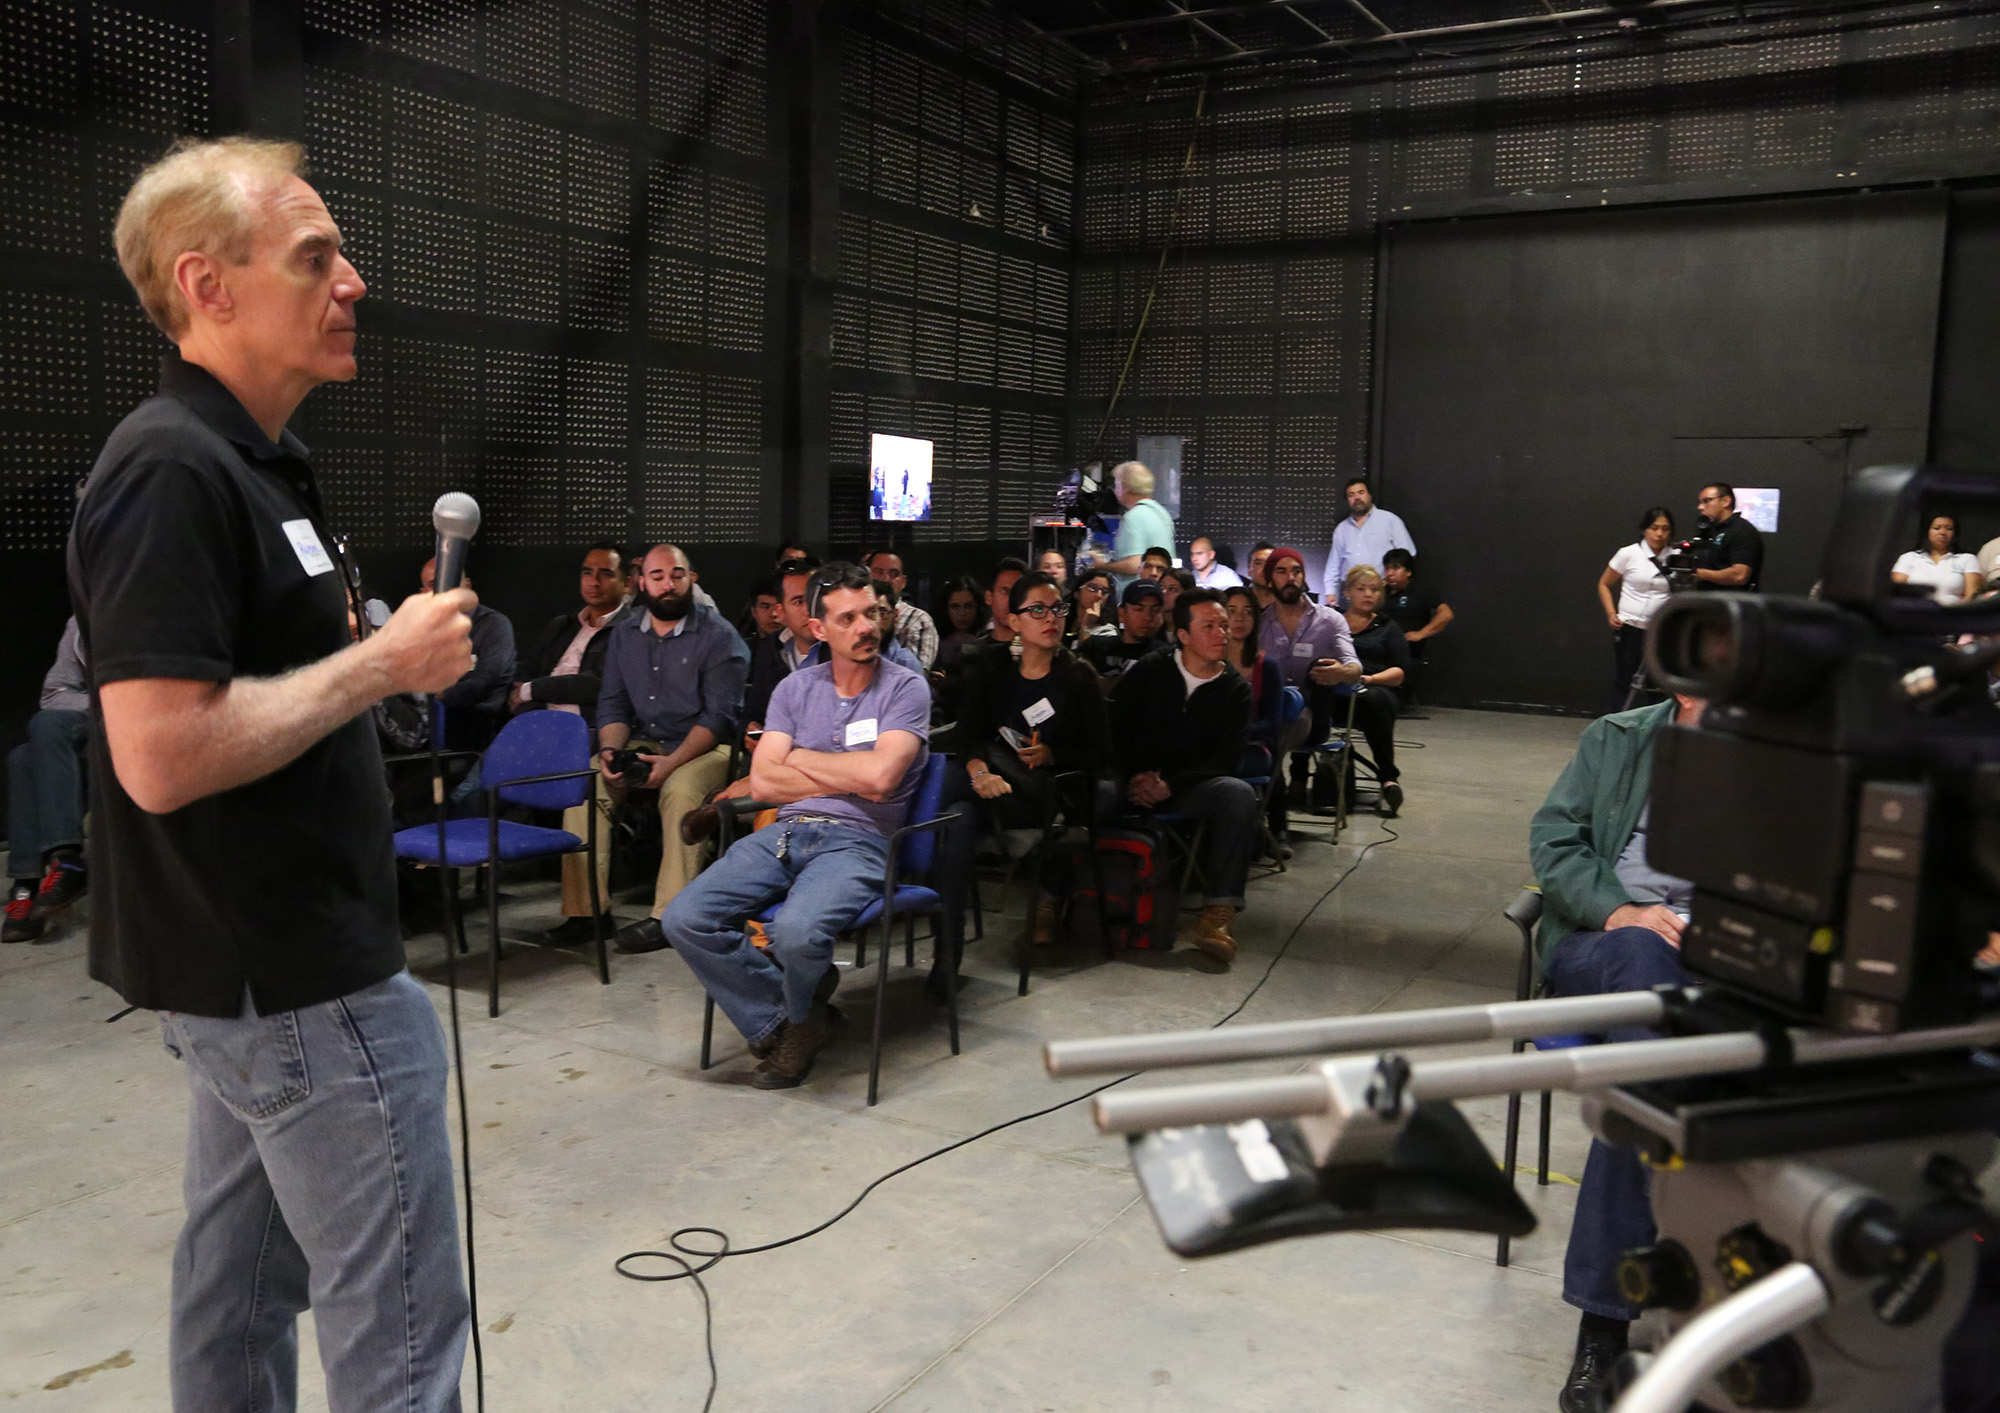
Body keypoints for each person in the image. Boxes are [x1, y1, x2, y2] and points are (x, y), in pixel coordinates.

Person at [74, 135, 474, 1411]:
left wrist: (380, 658)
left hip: (264, 980)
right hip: (300, 976)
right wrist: (375, 670)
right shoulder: (170, 468)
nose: (351, 281)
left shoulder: (251, 463)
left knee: (240, 1297)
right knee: (400, 1326)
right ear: (210, 285)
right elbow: (159, 753)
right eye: (316, 257)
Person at [661, 562, 931, 1089]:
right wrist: (845, 774)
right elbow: (763, 781)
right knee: (685, 918)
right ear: (818, 629)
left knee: (796, 932)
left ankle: (794, 1015)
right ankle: (796, 1020)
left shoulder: (906, 688)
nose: (866, 627)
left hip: (861, 841)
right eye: (848, 618)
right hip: (785, 833)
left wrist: (801, 759)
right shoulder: (794, 688)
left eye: (872, 612)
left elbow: (880, 778)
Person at [1528, 691, 1705, 1413]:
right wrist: (1619, 909)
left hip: (1713, 956)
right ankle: (1605, 1320)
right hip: (1604, 940)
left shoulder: (1779, 748)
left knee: (1647, 1083)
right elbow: (1554, 840)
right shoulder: (1619, 736)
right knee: (1641, 961)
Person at [595, 544, 751, 954]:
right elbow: (612, 703)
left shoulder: (721, 637)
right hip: (645, 739)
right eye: (658, 576)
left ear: (691, 579)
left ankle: (669, 917)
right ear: (641, 582)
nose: (668, 584)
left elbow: (717, 718)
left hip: (707, 748)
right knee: (591, 780)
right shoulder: (625, 634)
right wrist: (612, 752)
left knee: (680, 789)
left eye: (677, 575)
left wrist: (671, 763)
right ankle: (587, 911)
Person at [1108, 589, 1259, 967]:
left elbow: (1227, 757)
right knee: (1091, 789)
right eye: (1209, 626)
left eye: (1224, 626)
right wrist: (1133, 777)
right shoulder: (1152, 669)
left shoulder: (1234, 689)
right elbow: (1114, 730)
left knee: (1237, 794)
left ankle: (1217, 917)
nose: (1221, 634)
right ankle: (1052, 896)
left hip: (1188, 788)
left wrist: (1170, 784)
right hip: (1131, 781)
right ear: (1184, 636)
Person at [960, 571, 1110, 947]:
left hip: (1049, 789)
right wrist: (979, 772)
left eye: (1057, 609)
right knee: (956, 810)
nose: (1051, 619)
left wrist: (1052, 754)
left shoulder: (1078, 678)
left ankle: (948, 914)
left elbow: (1102, 752)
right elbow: (968, 734)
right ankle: (949, 918)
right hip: (991, 784)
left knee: (954, 809)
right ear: (1013, 621)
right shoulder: (993, 669)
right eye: (1038, 610)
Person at [509, 541, 634, 945]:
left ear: (627, 582)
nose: (594, 581)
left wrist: (532, 690)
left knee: (580, 791)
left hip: (588, 732)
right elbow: (525, 670)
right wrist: (525, 693)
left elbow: (598, 685)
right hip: (540, 726)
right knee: (477, 783)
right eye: (587, 572)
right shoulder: (563, 624)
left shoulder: (629, 628)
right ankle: (449, 882)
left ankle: (587, 916)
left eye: (605, 573)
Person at [1259, 546, 1361, 829]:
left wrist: (1341, 672)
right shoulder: (1259, 622)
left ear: (1304, 577)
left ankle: (1271, 824)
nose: (1290, 577)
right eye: (1281, 571)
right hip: (1268, 714)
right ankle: (1268, 822)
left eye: (1296, 571)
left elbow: (1355, 668)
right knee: (1267, 730)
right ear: (1270, 580)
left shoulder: (1329, 620)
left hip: (1312, 715)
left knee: (1270, 737)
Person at [4, 618, 91, 943]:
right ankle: (40, 875)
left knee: (45, 731)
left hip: (145, 726)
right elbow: (54, 693)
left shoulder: (154, 606)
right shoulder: (81, 621)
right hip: (100, 719)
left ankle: (49, 872)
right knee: (24, 756)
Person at [1337, 566, 1410, 818]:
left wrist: (1368, 678)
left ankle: (1388, 777)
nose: (1368, 594)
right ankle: (1299, 780)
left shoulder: (1388, 627)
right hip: (1337, 688)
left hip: (1377, 686)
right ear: (1347, 593)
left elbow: (1399, 672)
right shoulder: (1332, 622)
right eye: (1361, 589)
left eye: (1374, 589)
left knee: (1373, 699)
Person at [421, 555, 516, 747]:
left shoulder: (494, 625)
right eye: (434, 584)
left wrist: (434, 696)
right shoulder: (419, 632)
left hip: (478, 725)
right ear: (423, 593)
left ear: (467, 586)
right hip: (427, 722)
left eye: (450, 580)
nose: (444, 589)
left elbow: (483, 682)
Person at [1598, 507, 1675, 710]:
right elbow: (1604, 584)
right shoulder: (1629, 553)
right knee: (1625, 680)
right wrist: (1611, 613)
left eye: (1665, 529)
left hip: (1660, 630)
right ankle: (1617, 725)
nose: (1659, 534)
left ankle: (1654, 730)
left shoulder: (1676, 556)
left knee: (1657, 684)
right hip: (1630, 627)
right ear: (1644, 530)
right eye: (1654, 528)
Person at [743, 556, 821, 733]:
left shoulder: (842, 648)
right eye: (799, 602)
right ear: (781, 612)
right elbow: (753, 711)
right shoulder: (769, 649)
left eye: (814, 599)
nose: (809, 610)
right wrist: (751, 729)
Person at [1323, 478, 1415, 606]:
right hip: (1350, 593)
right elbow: (1334, 564)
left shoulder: (1389, 520)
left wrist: (1391, 580)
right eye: (1351, 495)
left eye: (1361, 492)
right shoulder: (1341, 529)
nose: (1357, 498)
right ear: (1347, 500)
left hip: (1381, 590)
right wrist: (1330, 593)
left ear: (1369, 495)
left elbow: (1407, 554)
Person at [1380, 547, 1450, 714]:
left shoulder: (1421, 592)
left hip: (1407, 646)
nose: (1390, 573)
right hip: (1379, 642)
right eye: (1387, 568)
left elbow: (1446, 614)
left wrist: (1421, 634)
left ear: (1409, 572)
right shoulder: (1379, 593)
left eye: (1395, 568)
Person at [1222, 586, 1284, 772]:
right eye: (1231, 611)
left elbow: (1272, 723)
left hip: (1251, 746)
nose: (1240, 618)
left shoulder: (1267, 666)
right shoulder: (1208, 662)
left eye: (1248, 612)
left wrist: (1235, 732)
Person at [1094, 461, 1174, 592]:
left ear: (1126, 487)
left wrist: (1102, 565)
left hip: (1138, 596)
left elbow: (1134, 564)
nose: (1115, 490)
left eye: (1117, 485)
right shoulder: (1163, 514)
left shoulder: (1133, 517)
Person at [865, 549, 940, 667]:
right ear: (867, 576)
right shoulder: (856, 613)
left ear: (903, 581)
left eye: (894, 574)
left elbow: (917, 675)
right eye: (878, 572)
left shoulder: (918, 619)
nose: (886, 579)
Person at [1079, 579, 1164, 683]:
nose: (1147, 617)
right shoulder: (1095, 647)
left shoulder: (1166, 657)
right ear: (1122, 613)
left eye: (1155, 610)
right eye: (1139, 609)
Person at [1893, 513, 1983, 605]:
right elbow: (1895, 592)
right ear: (1927, 531)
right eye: (1936, 528)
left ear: (1955, 533)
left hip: (1953, 614)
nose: (1942, 533)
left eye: (1949, 529)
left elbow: (1972, 597)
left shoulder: (1967, 558)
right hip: (1914, 612)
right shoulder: (1909, 558)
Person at [1690, 482, 1763, 591]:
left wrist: (1699, 573)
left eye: (1706, 501)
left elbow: (1739, 575)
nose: (1700, 507)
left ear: (1726, 501)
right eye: (1700, 502)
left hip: (1730, 603)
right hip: (1705, 600)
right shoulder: (1709, 531)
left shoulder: (1742, 530)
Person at [931, 574, 984, 672]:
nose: (962, 613)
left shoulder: (988, 636)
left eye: (968, 606)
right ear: (945, 608)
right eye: (955, 606)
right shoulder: (935, 641)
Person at [1066, 567, 1115, 643]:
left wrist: (1085, 627)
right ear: (1077, 593)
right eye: (1092, 588)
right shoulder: (1063, 620)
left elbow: (1085, 653)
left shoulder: (1107, 631)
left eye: (1104, 591)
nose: (1099, 595)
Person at [737, 574, 783, 646]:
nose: (774, 614)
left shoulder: (802, 649)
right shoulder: (742, 651)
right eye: (766, 607)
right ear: (754, 611)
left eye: (780, 607)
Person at [1247, 542, 1276, 609]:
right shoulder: (1238, 598)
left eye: (1270, 563)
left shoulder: (1290, 601)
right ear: (1249, 569)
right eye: (1258, 563)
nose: (1265, 568)